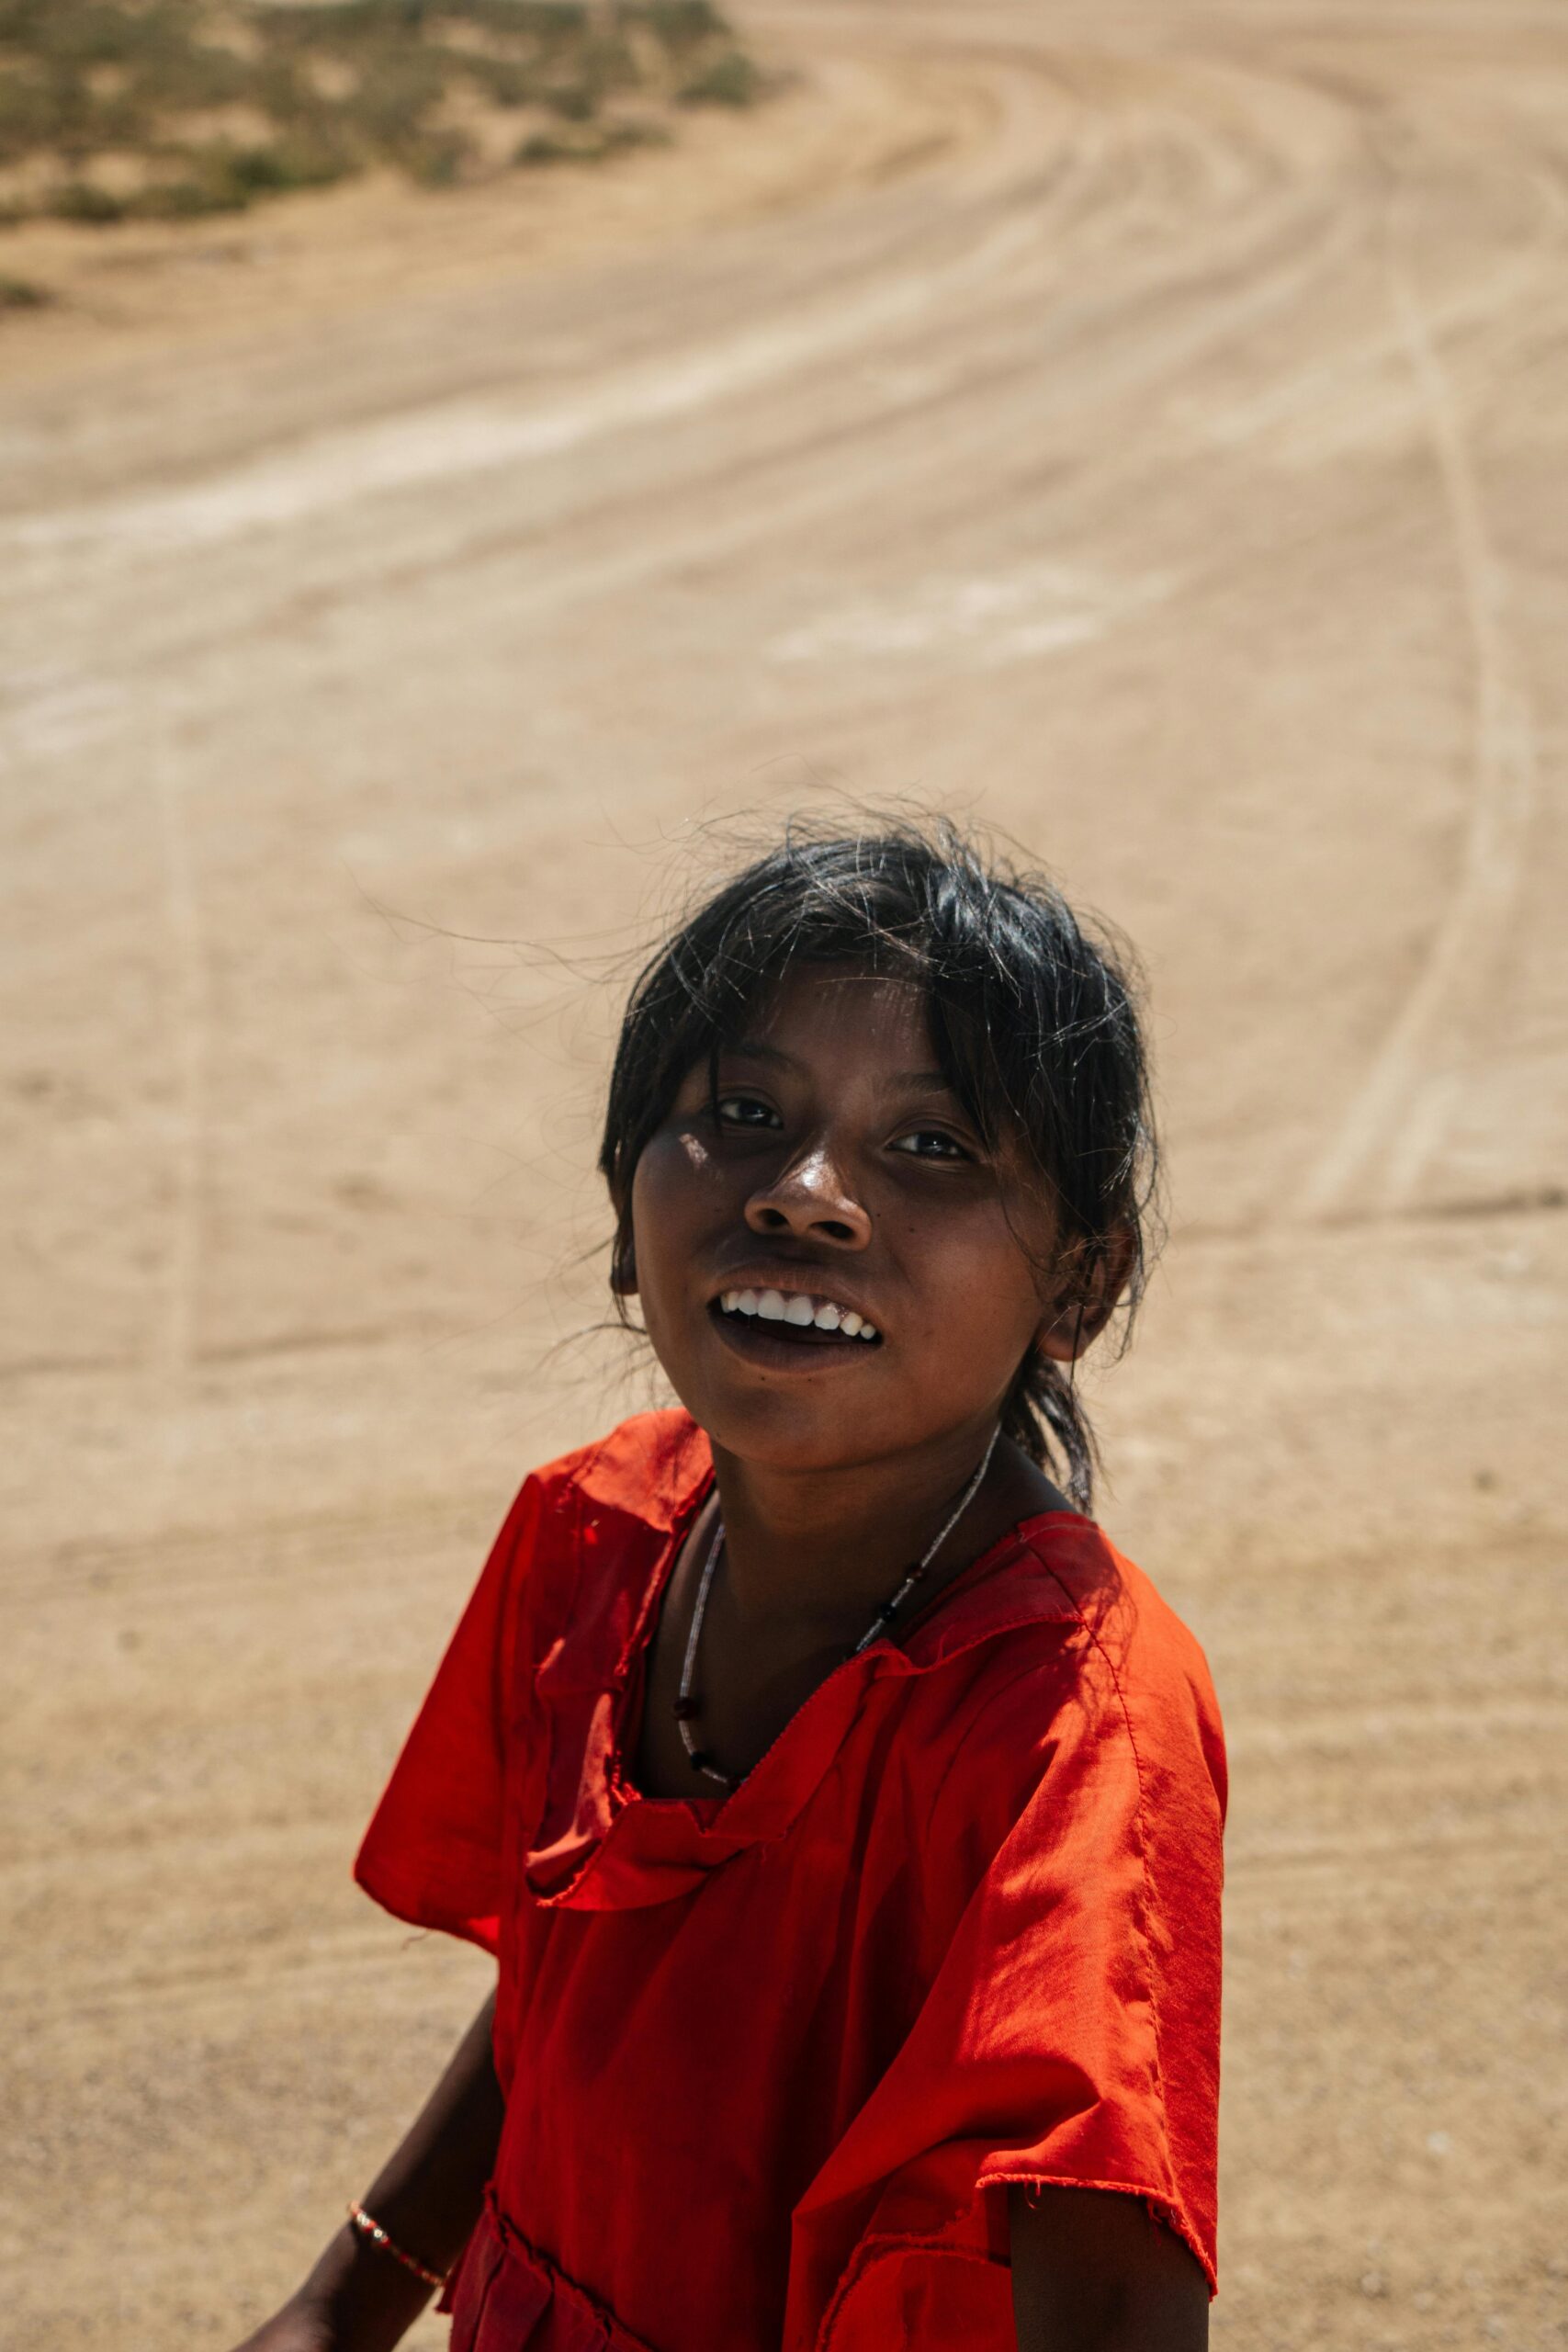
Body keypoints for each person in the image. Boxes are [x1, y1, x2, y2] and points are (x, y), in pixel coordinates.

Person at [231, 823, 1224, 2352]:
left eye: (936, 1144)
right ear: (629, 1208)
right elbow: (576, 2006)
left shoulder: (1070, 1726)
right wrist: (344, 2299)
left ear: (1079, 1286)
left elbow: (1109, 2285)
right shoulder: (599, 1532)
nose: (809, 1194)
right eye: (745, 1111)